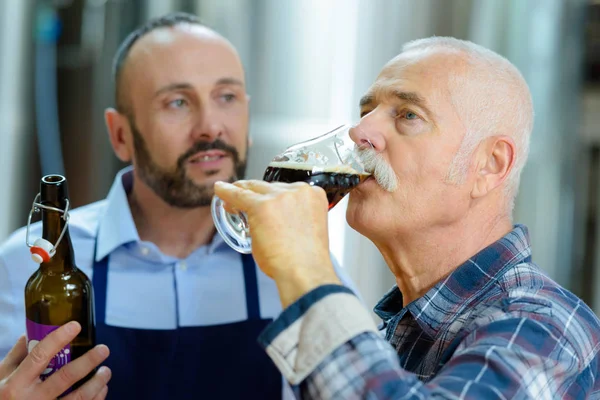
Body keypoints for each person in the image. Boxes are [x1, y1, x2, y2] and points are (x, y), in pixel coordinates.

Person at [215, 37, 600, 399]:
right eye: (367, 112)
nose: (360, 131)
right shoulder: (398, 329)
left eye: (408, 115)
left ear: (489, 166)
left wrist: (307, 270)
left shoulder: (544, 328)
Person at [0, 12, 358, 400]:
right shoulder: (25, 265)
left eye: (227, 97)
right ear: (121, 135)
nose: (210, 126)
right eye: (176, 102)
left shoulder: (299, 264)